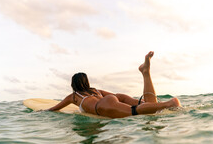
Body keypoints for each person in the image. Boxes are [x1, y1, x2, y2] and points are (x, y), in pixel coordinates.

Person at [45, 51, 181, 118]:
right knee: (147, 105)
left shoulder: (74, 96)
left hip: (103, 106)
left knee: (135, 112)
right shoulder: (94, 90)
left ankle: (170, 103)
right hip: (114, 98)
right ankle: (146, 73)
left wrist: (43, 111)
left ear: (73, 85)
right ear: (86, 82)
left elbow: (55, 108)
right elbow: (115, 96)